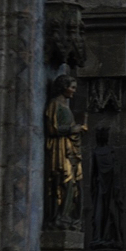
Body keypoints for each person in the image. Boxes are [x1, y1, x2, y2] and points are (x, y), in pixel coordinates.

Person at [45, 74, 86, 230]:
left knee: (74, 183)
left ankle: (67, 215)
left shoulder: (66, 105)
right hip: (60, 148)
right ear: (63, 87)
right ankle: (60, 216)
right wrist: (72, 129)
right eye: (72, 87)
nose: (74, 91)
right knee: (65, 180)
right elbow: (52, 128)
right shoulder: (54, 104)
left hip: (70, 147)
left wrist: (78, 129)